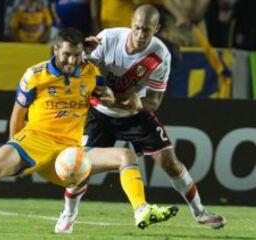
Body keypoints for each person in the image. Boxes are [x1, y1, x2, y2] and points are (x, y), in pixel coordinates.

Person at [0, 28, 177, 233]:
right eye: (66, 54)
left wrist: (116, 99)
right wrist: (14, 144)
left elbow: (107, 97)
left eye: (76, 55)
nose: (71, 60)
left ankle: (141, 210)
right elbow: (17, 112)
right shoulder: (35, 75)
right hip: (33, 141)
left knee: (126, 156)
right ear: (56, 50)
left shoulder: (91, 74)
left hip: (68, 150)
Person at [55, 4, 225, 234]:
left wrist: (135, 103)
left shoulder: (160, 55)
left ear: (157, 29)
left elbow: (154, 102)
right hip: (99, 114)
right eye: (137, 28)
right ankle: (68, 214)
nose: (141, 35)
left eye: (147, 30)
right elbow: (75, 70)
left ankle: (200, 212)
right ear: (130, 23)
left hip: (134, 115)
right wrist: (84, 52)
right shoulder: (108, 39)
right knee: (79, 168)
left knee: (169, 161)